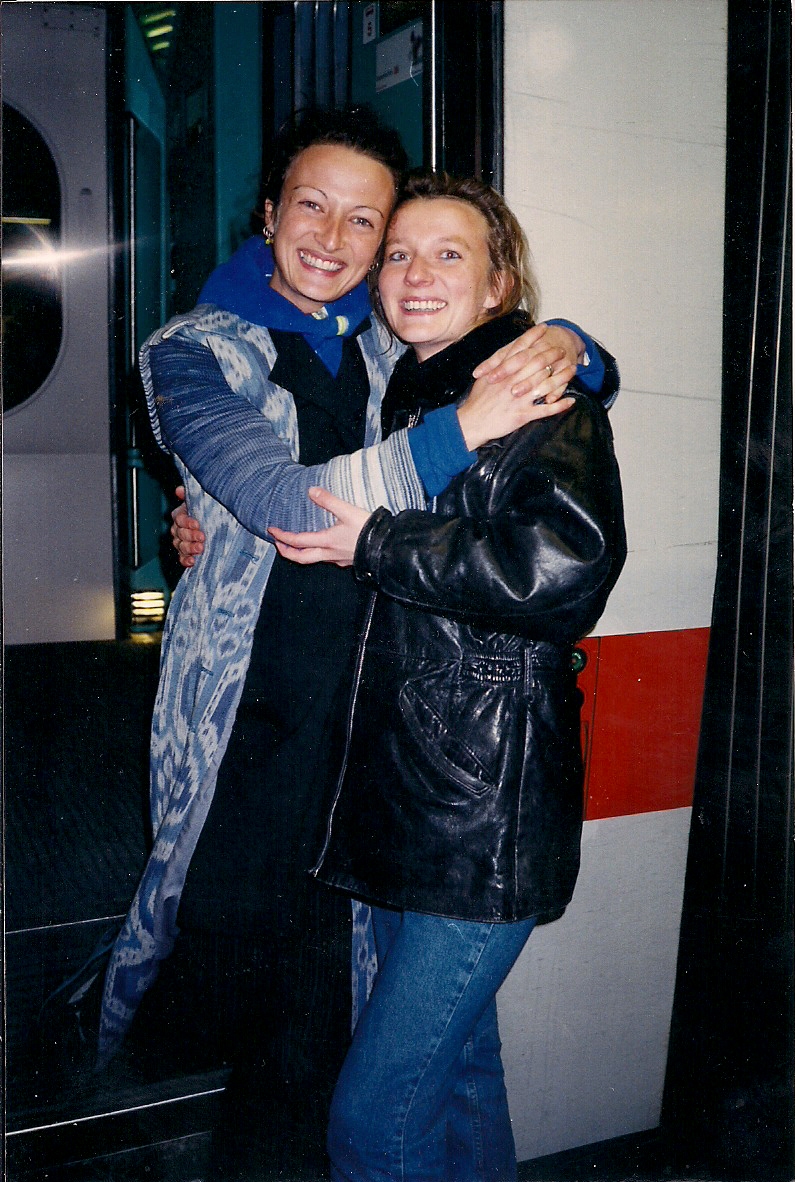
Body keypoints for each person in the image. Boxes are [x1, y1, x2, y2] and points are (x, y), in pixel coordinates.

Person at [100, 105, 618, 1181]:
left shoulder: (387, 350)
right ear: (268, 213)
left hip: (381, 751)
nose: (333, 240)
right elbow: (287, 503)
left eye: (364, 222)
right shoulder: (191, 352)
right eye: (311, 206)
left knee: (366, 1038)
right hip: (254, 737)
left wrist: (576, 345)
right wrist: (462, 429)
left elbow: (510, 359)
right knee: (261, 1001)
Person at [266, 172, 626, 1181]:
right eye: (399, 254)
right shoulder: (409, 393)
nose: (415, 273)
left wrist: (380, 543)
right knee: (460, 1080)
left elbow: (565, 569)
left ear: (500, 285)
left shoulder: (537, 399)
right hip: (410, 804)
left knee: (372, 1123)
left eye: (448, 254)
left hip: (476, 814)